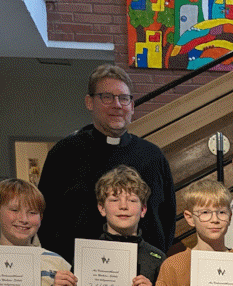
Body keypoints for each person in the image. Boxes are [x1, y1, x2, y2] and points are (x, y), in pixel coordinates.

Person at [38, 65, 177, 260]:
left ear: (132, 105)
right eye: (107, 97)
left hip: (142, 270)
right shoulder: (64, 153)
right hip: (77, 269)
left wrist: (153, 263)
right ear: (89, 102)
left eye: (124, 98)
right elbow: (45, 216)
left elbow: (167, 217)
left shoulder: (152, 156)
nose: (117, 105)